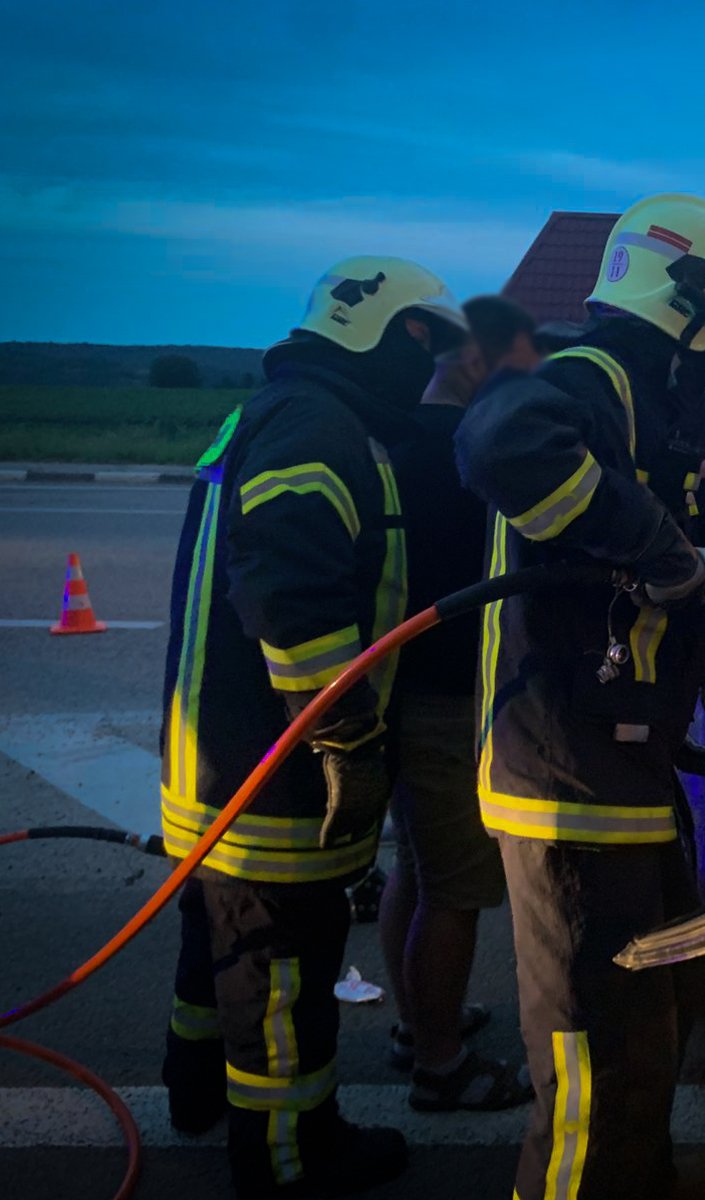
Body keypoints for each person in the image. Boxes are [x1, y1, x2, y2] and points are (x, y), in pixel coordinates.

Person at [454, 192, 705, 1200]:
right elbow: (501, 443)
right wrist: (664, 555)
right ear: (689, 296)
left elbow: (670, 503)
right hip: (569, 773)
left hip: (624, 763)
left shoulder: (652, 395)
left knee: (643, 1034)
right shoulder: (590, 374)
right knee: (592, 1067)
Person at [159, 256, 469, 1198]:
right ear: (387, 332)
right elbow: (292, 594)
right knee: (282, 969)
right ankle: (293, 1156)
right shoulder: (320, 427)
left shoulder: (278, 410)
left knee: (210, 950)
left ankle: (193, 1090)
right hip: (274, 769)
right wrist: (341, 739)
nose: (427, 370)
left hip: (214, 760)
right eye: (425, 344)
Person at [377, 295, 539, 1111]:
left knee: (416, 866)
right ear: (473, 360)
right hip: (448, 700)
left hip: (402, 691)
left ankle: (416, 1022)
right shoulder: (467, 453)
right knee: (458, 892)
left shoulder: (398, 440)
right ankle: (441, 1065)